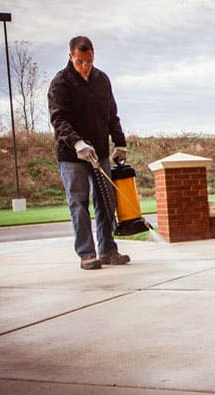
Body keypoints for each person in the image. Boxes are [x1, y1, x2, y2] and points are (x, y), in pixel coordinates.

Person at [48, 36, 130, 270]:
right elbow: (59, 119)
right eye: (80, 62)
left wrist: (120, 143)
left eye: (89, 61)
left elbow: (111, 114)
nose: (85, 66)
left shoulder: (102, 80)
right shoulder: (60, 83)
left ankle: (107, 250)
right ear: (70, 57)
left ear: (94, 55)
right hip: (72, 155)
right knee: (79, 201)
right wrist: (77, 143)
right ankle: (87, 253)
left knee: (106, 201)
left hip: (100, 152)